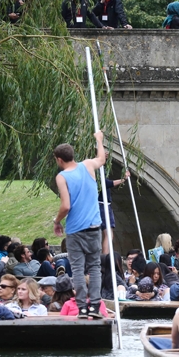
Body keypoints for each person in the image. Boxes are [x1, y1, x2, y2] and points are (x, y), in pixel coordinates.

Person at [52, 131, 106, 319]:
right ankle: (96, 307)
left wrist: (57, 221)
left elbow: (66, 205)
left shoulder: (62, 177)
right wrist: (99, 140)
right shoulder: (88, 165)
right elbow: (102, 158)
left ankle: (82, 307)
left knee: (77, 269)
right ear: (72, 155)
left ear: (59, 159)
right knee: (94, 267)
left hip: (75, 230)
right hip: (93, 227)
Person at [98, 157, 130, 254]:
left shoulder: (99, 168)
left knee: (108, 234)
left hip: (104, 204)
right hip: (102, 204)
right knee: (108, 234)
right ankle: (105, 257)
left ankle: (105, 256)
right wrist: (123, 179)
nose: (107, 155)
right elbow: (105, 183)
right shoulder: (96, 169)